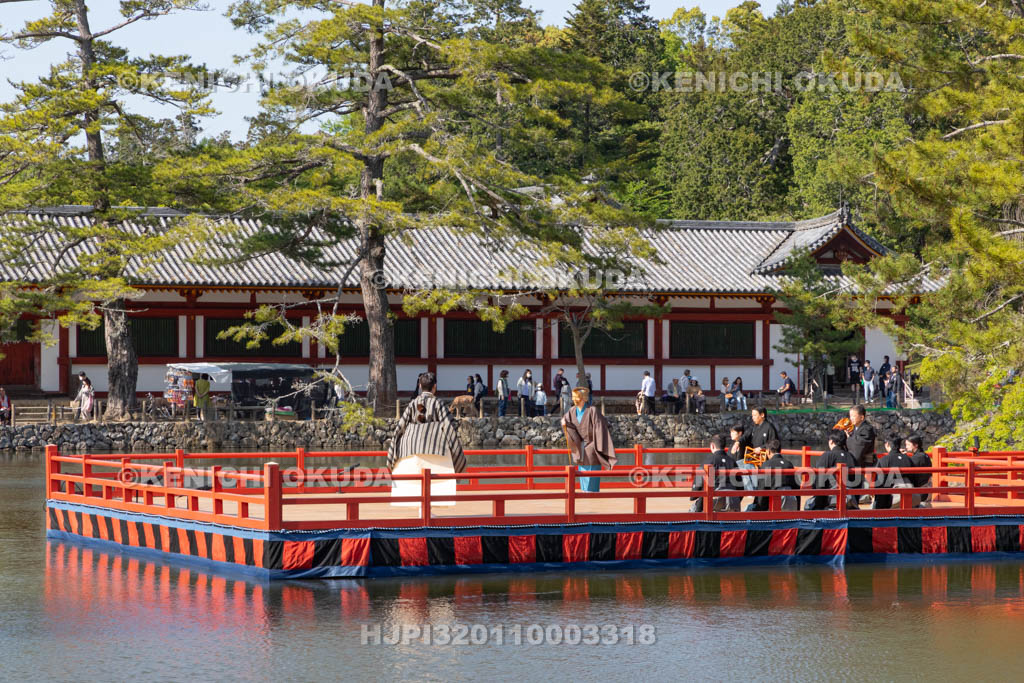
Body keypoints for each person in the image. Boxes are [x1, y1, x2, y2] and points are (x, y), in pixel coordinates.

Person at [387, 372, 466, 473]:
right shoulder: (438, 404)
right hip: (437, 455)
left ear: (420, 386)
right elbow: (450, 427)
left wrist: (392, 455)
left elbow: (400, 428)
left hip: (411, 453)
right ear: (434, 387)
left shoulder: (412, 404)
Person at [562, 387, 616, 492]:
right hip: (580, 448)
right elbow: (568, 425)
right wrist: (565, 424)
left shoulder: (593, 410)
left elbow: (601, 427)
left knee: (591, 482)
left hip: (592, 447)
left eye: (577, 398)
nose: (575, 400)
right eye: (574, 398)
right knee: (583, 480)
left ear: (584, 399)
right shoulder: (572, 411)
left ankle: (592, 499)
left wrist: (595, 446)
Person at [805, 430, 861, 511]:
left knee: (808, 506)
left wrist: (819, 504)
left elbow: (819, 481)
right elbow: (858, 482)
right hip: (852, 499)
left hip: (833, 500)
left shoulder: (828, 455)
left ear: (831, 442)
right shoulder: (851, 457)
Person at [690, 434, 741, 512]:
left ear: (712, 446)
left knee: (694, 508)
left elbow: (698, 484)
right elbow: (740, 487)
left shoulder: (708, 461)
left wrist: (693, 495)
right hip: (732, 503)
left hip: (713, 502)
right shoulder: (732, 462)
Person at [752, 439, 799, 511]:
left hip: (775, 502)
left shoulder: (767, 464)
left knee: (749, 510)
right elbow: (795, 485)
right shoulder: (788, 464)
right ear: (780, 450)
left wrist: (759, 508)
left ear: (768, 451)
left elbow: (762, 487)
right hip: (791, 501)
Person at [872, 431, 914, 509]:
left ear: (887, 444)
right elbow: (914, 478)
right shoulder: (908, 459)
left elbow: (879, 483)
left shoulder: (884, 460)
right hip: (911, 495)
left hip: (892, 499)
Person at [906, 434, 932, 508]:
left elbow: (908, 467)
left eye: (908, 444)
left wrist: (903, 457)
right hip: (925, 489)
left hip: (920, 492)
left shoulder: (918, 457)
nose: (906, 447)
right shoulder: (924, 455)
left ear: (915, 445)